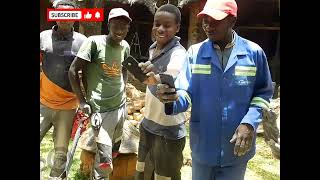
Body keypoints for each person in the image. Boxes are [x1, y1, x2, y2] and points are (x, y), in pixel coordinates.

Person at [154, 0, 274, 179]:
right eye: (205, 20)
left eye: (215, 21)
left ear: (232, 21)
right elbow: (185, 93)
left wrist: (249, 123)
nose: (208, 26)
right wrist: (171, 98)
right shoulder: (195, 53)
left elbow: (263, 93)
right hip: (204, 146)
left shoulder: (253, 53)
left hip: (236, 148)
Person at [68, 7, 131, 180]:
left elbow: (124, 69)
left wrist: (123, 87)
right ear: (109, 24)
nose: (119, 30)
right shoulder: (94, 43)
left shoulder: (125, 46)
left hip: (120, 108)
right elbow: (73, 71)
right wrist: (82, 101)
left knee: (115, 149)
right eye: (116, 25)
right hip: (100, 110)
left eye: (124, 27)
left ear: (128, 29)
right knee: (105, 158)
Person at [135, 4, 187, 180]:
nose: (160, 29)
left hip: (168, 130)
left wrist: (154, 76)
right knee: (144, 172)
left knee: (165, 175)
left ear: (177, 27)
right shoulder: (152, 48)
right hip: (148, 123)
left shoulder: (179, 52)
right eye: (157, 24)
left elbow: (172, 72)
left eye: (167, 25)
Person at [40, 0, 87, 179]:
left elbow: (86, 73)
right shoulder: (43, 37)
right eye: (60, 14)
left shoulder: (82, 42)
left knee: (60, 152)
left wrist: (85, 101)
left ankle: (56, 177)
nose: (64, 19)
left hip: (68, 107)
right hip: (43, 102)